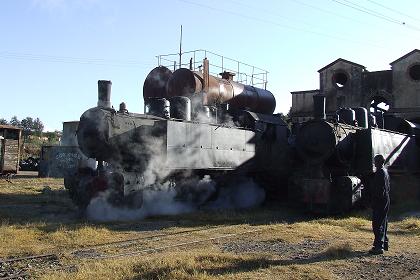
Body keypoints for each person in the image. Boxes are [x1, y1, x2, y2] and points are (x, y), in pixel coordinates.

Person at [369, 154, 390, 255]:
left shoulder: (380, 172)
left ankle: (379, 246)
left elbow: (378, 190)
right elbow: (387, 186)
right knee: (383, 222)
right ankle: (384, 243)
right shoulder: (385, 171)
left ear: (377, 162)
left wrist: (374, 201)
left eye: (375, 161)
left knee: (377, 223)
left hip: (380, 200)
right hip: (385, 198)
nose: (374, 162)